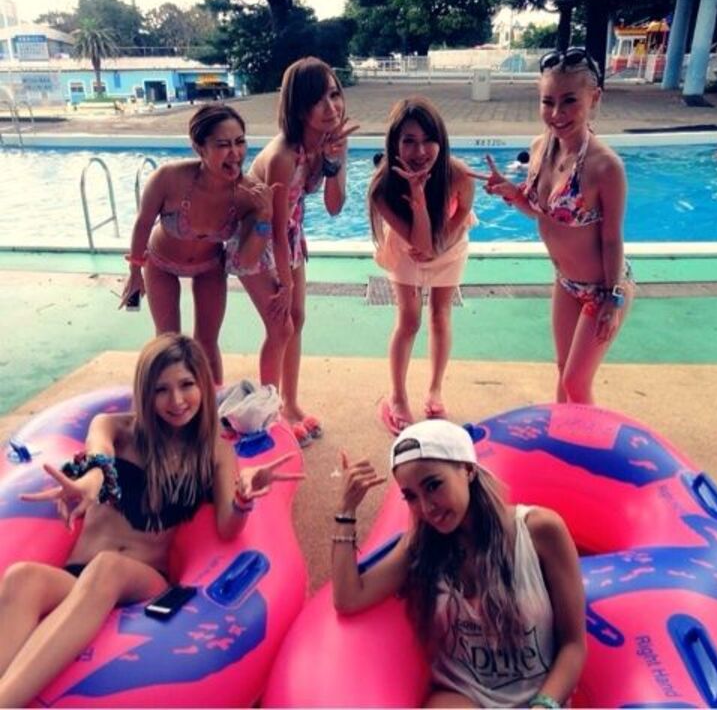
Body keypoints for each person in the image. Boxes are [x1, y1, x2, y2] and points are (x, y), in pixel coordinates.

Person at [0, 333, 301, 708]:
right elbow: (99, 459)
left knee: (107, 567)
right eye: (161, 390)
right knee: (22, 577)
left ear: (202, 385)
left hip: (142, 582)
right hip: (76, 578)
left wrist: (242, 499)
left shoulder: (213, 450)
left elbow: (228, 527)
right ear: (145, 393)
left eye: (186, 385)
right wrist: (91, 481)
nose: (176, 400)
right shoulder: (114, 428)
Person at [332, 419, 586, 708]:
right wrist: (345, 510)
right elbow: (348, 598)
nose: (426, 508)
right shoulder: (420, 545)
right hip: (462, 696)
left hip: (540, 698)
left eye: (433, 485)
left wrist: (544, 704)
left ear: (467, 469)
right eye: (411, 496)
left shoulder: (540, 531)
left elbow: (573, 645)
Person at [478, 47, 633, 404]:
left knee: (577, 383)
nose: (557, 113)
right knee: (563, 369)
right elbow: (540, 213)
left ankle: (588, 440)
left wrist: (613, 299)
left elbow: (612, 239)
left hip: (603, 288)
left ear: (594, 98)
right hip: (565, 282)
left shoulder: (605, 166)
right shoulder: (540, 148)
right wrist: (513, 194)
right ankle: (561, 434)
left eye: (569, 101)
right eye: (548, 102)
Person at [229, 57, 357, 447]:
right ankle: (270, 415)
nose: (331, 107)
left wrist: (333, 161)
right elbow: (273, 229)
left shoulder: (331, 142)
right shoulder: (283, 156)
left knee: (296, 319)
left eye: (334, 94)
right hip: (257, 238)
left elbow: (334, 206)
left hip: (288, 234)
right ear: (299, 108)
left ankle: (290, 404)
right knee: (280, 325)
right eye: (318, 100)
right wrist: (283, 282)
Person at [121, 104, 276, 385]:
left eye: (240, 142)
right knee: (168, 340)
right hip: (161, 263)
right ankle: (166, 400)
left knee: (206, 342)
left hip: (209, 267)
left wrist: (264, 216)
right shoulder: (168, 179)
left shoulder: (248, 194)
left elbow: (247, 261)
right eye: (223, 145)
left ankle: (211, 402)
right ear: (199, 148)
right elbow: (143, 223)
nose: (235, 153)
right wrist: (135, 272)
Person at [369, 97, 476, 434]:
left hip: (450, 242)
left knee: (440, 314)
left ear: (441, 140)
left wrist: (441, 243)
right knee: (409, 319)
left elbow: (463, 212)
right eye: (409, 141)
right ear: (394, 144)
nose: (420, 151)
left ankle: (435, 390)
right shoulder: (382, 189)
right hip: (406, 247)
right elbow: (419, 243)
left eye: (429, 140)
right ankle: (397, 396)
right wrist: (416, 196)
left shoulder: (457, 173)